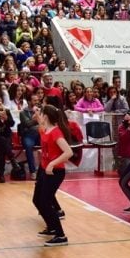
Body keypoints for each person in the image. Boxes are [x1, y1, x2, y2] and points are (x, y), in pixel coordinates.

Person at [33, 104, 74, 247]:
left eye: (42, 113)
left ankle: (60, 235)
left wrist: (52, 163)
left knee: (45, 202)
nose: (41, 115)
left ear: (47, 116)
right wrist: (38, 117)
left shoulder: (56, 132)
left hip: (55, 172)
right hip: (46, 170)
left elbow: (68, 152)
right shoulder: (48, 129)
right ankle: (51, 227)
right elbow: (43, 131)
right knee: (37, 200)